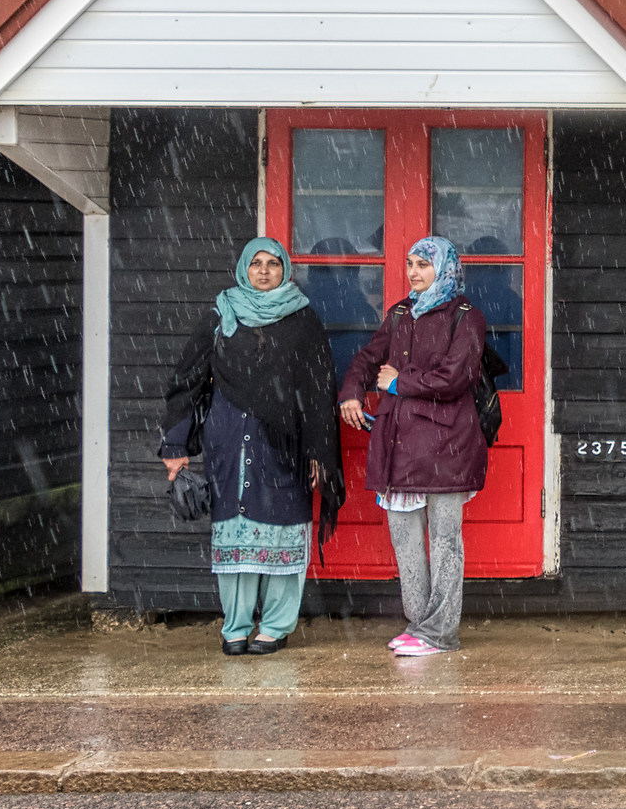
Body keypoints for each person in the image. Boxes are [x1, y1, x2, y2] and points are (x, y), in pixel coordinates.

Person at [159, 237, 345, 655]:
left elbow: (318, 391)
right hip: (229, 442)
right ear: (244, 268)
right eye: (256, 263)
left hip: (283, 446)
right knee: (234, 533)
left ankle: (276, 626)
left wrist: (319, 451)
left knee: (282, 527)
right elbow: (187, 380)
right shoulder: (221, 315)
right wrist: (177, 445)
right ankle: (236, 625)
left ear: (285, 270)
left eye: (273, 264)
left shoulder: (303, 320)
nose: (264, 271)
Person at [338, 236, 489, 657]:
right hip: (399, 444)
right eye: (409, 263)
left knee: (445, 543)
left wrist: (399, 382)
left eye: (423, 264)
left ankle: (440, 633)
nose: (413, 272)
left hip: (447, 444)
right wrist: (352, 391)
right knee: (405, 540)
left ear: (444, 268)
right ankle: (419, 625)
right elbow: (369, 357)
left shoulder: (466, 317)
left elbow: (456, 376)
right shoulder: (401, 312)